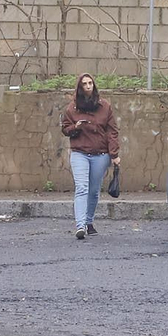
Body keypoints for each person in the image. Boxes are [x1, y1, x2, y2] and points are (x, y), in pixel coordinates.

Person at [60, 73, 120, 240]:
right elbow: (65, 129)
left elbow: (112, 132)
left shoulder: (104, 106)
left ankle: (88, 221)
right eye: (85, 84)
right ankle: (80, 225)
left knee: (93, 191)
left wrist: (114, 154)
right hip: (79, 152)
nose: (88, 86)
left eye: (90, 83)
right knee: (82, 188)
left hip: (100, 154)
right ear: (79, 87)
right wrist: (75, 127)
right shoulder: (72, 108)